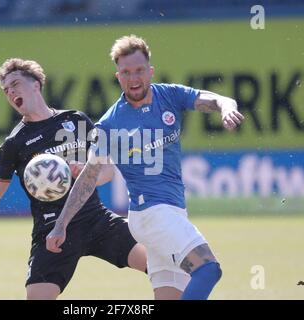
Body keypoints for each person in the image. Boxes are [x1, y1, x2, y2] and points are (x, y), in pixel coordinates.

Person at [0, 58, 187, 299]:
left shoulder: (76, 121)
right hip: (53, 231)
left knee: (165, 268)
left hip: (97, 220)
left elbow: (107, 172)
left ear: (36, 84)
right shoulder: (14, 144)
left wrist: (87, 175)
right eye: (6, 90)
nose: (11, 92)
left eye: (15, 84)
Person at [46, 35, 245, 300]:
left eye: (139, 70)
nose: (133, 77)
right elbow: (89, 177)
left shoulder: (169, 96)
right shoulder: (110, 123)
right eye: (126, 72)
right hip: (152, 214)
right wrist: (61, 224)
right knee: (208, 270)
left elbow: (217, 99)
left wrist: (226, 107)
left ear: (150, 71)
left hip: (170, 213)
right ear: (118, 77)